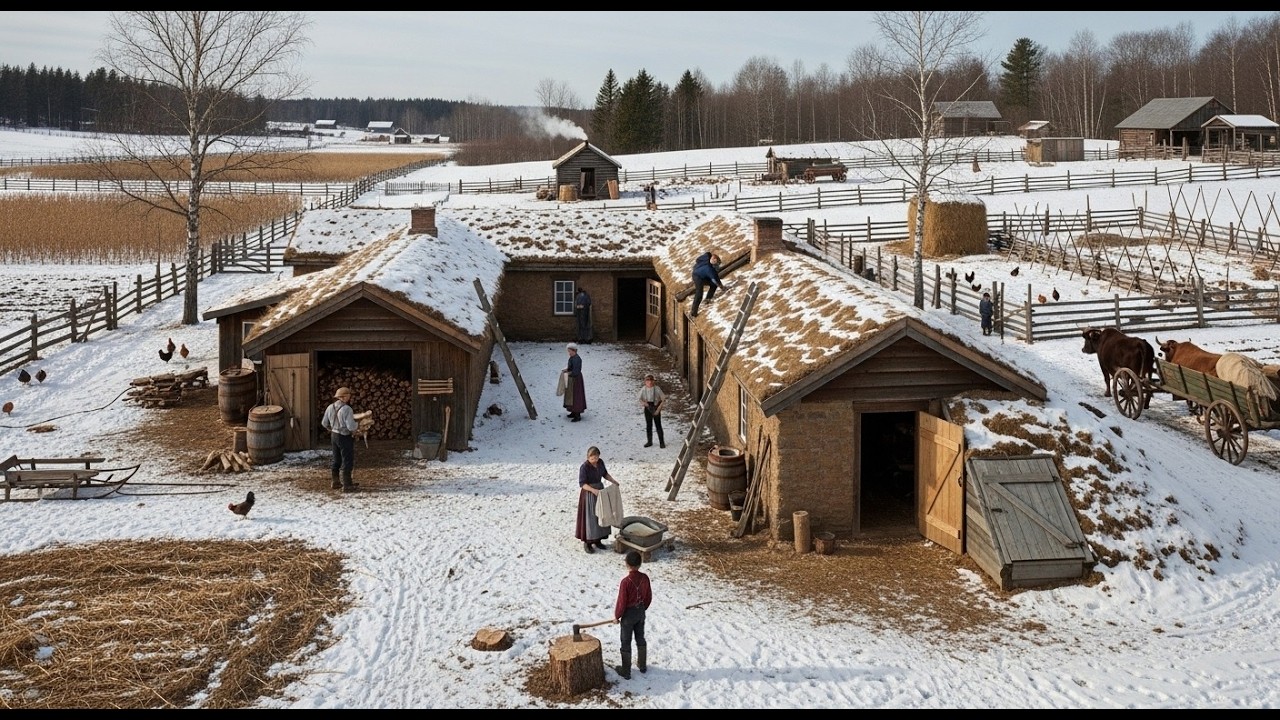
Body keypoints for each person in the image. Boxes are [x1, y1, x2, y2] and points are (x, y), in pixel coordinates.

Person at [612, 549, 652, 679]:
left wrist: (617, 616)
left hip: (628, 615)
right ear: (640, 564)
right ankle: (642, 665)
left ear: (627, 564)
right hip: (640, 612)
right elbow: (648, 596)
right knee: (640, 637)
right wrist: (642, 608)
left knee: (625, 641)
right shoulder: (645, 578)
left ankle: (626, 670)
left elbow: (622, 601)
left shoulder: (626, 582)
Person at [576, 446, 619, 554]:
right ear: (588, 457)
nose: (594, 460)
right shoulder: (584, 467)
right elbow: (582, 484)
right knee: (590, 518)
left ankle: (598, 540)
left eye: (596, 457)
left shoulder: (600, 463)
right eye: (592, 458)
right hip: (589, 494)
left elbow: (604, 474)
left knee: (601, 515)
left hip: (600, 491)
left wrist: (613, 481)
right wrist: (593, 490)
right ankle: (588, 542)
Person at [320, 387, 359, 493]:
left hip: (334, 436)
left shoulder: (330, 407)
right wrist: (358, 425)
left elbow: (324, 423)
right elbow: (351, 427)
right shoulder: (347, 409)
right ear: (344, 397)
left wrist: (332, 429)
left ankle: (335, 482)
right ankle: (347, 485)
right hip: (344, 436)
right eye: (349, 395)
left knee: (336, 459)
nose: (350, 397)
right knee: (347, 459)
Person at [690, 251, 726, 318]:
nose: (717, 266)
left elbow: (716, 276)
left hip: (701, 274)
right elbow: (715, 279)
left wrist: (720, 285)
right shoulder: (709, 268)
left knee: (713, 285)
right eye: (716, 264)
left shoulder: (707, 259)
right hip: (697, 277)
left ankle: (708, 299)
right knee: (699, 293)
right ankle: (693, 312)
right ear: (714, 260)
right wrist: (722, 287)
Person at [638, 374, 666, 448]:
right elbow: (639, 398)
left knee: (658, 425)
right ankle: (649, 441)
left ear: (653, 381)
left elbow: (663, 399)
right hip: (648, 408)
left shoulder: (657, 389)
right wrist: (645, 404)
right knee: (649, 425)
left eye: (651, 380)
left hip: (656, 406)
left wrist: (658, 409)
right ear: (645, 382)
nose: (649, 382)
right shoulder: (643, 389)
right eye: (647, 381)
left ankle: (661, 442)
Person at [562, 342, 586, 421]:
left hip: (576, 380)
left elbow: (576, 371)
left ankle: (577, 415)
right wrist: (567, 369)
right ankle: (573, 411)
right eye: (568, 351)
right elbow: (571, 367)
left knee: (576, 396)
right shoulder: (572, 358)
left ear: (574, 350)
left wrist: (569, 373)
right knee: (571, 396)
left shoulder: (577, 359)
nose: (568, 353)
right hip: (572, 378)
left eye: (569, 351)